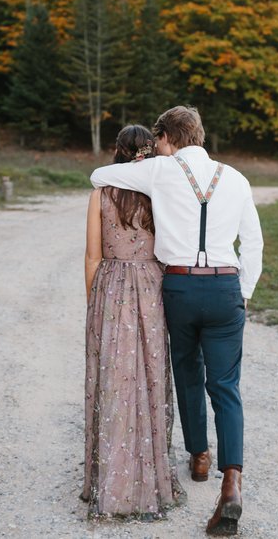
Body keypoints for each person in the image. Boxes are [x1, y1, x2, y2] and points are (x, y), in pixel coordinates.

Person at [90, 106, 262, 536]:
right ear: (200, 136)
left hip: (181, 287)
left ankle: (199, 456)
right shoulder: (237, 178)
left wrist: (145, 163)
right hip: (225, 288)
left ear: (166, 137)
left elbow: (99, 176)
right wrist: (244, 292)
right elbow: (254, 243)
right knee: (226, 385)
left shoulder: (161, 171)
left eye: (159, 140)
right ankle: (233, 483)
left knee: (188, 373)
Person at [81, 124, 183, 520]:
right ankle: (149, 474)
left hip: (111, 284)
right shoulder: (159, 194)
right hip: (152, 282)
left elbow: (92, 255)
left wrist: (92, 302)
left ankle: (109, 478)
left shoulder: (99, 195)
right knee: (150, 374)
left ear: (117, 152)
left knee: (113, 376)